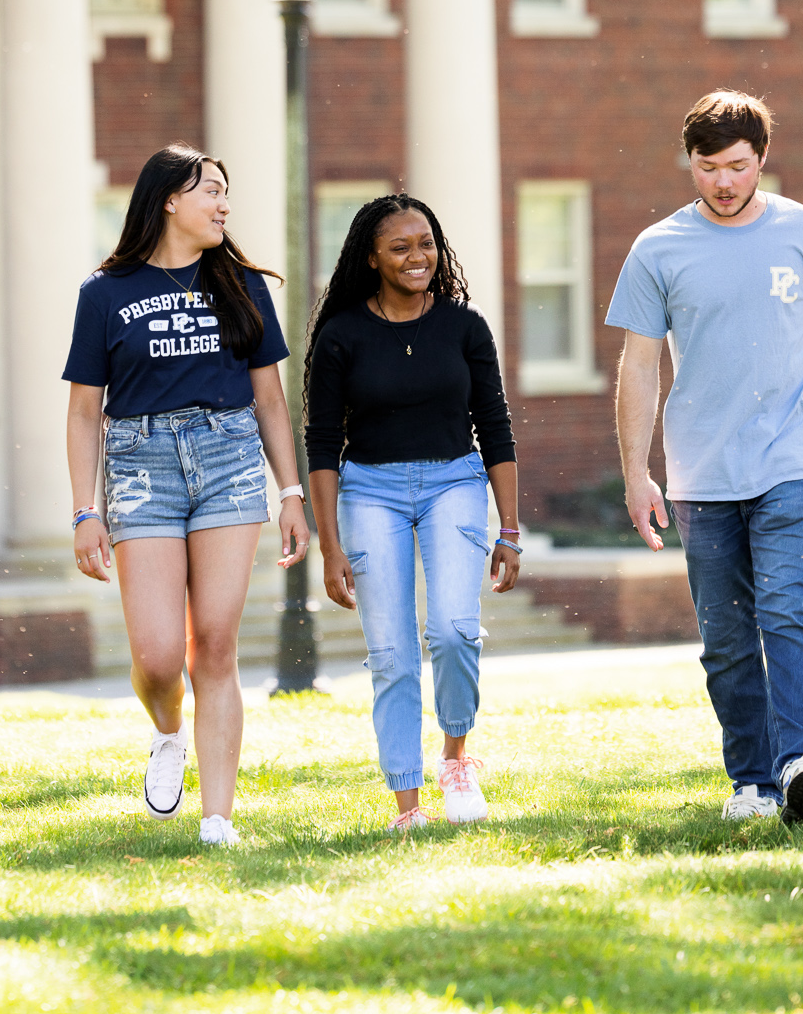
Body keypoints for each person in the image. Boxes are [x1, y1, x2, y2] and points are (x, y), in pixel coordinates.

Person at [608, 90, 803, 828]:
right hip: (700, 474)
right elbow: (640, 367)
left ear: (762, 161)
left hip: (792, 460)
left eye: (738, 167)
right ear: (689, 161)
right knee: (724, 638)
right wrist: (635, 471)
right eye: (708, 167)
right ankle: (752, 780)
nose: (723, 182)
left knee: (785, 610)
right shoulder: (658, 249)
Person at [64, 143, 309, 848]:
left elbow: (269, 399)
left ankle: (217, 820)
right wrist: (87, 510)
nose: (223, 204)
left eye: (226, 192)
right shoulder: (105, 293)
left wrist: (289, 491)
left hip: (229, 457)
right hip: (141, 467)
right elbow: (85, 412)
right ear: (169, 198)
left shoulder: (243, 286)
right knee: (160, 656)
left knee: (218, 645)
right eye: (211, 191)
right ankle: (167, 732)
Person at [305, 193, 520, 834]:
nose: (416, 256)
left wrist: (509, 529)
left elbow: (496, 429)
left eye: (424, 242)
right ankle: (408, 806)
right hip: (369, 492)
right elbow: (321, 442)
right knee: (392, 652)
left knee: (454, 630)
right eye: (399, 247)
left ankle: (456, 758)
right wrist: (329, 545)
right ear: (371, 257)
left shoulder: (464, 326)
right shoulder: (342, 334)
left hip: (455, 480)